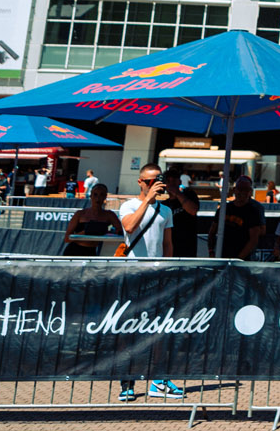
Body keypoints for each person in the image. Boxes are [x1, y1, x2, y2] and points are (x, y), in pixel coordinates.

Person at [115, 167, 184, 403]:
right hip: (133, 274)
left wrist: (168, 271)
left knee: (160, 328)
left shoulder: (166, 210)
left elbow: (168, 244)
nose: (156, 183)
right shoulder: (129, 205)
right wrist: (148, 201)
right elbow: (130, 227)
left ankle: (159, 379)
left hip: (157, 277)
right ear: (141, 182)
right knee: (130, 329)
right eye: (151, 180)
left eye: (159, 180)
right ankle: (128, 381)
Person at [63, 181, 118, 255]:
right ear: (91, 196)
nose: (98, 198)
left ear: (105, 197)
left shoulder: (109, 215)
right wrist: (85, 232)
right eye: (95, 195)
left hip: (91, 252)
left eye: (101, 195)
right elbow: (67, 238)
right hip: (74, 251)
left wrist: (108, 232)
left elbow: (121, 231)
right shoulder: (80, 214)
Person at [218, 175, 266, 261]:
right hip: (225, 252)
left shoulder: (256, 208)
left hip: (245, 254)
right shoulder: (226, 207)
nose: (241, 193)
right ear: (234, 190)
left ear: (250, 191)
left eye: (245, 189)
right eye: (239, 189)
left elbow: (261, 231)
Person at [161, 167, 201, 258]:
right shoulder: (164, 204)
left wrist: (177, 194)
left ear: (179, 182)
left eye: (174, 180)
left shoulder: (189, 195)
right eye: (168, 181)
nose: (171, 184)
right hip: (169, 249)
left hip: (187, 248)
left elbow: (192, 210)